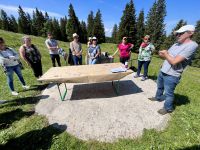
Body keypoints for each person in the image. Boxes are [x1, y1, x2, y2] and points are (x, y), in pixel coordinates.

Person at [148, 25, 198, 115]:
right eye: (177, 34)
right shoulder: (176, 44)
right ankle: (157, 97)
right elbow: (168, 57)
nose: (178, 35)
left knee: (168, 93)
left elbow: (174, 61)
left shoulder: (192, 45)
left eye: (181, 33)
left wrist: (166, 53)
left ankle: (168, 108)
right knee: (159, 86)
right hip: (163, 71)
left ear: (190, 33)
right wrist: (162, 55)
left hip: (172, 75)